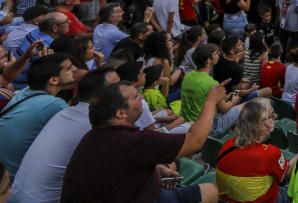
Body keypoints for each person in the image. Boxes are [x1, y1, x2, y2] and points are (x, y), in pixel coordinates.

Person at [61, 80, 226, 203]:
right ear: (120, 113)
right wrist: (211, 103)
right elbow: (195, 141)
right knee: (210, 191)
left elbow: (119, 169)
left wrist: (156, 169)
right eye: (135, 97)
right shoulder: (131, 140)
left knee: (169, 165)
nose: (141, 97)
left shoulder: (93, 137)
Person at [9, 66, 118, 203]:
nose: (124, 89)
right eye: (117, 87)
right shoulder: (94, 125)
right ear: (97, 97)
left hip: (17, 195)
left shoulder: (67, 113)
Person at [216, 97, 298, 203]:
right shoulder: (270, 153)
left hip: (228, 200)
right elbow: (288, 173)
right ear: (261, 125)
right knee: (297, 187)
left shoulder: (228, 143)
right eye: (271, 115)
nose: (276, 117)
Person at [0, 53, 76, 177]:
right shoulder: (55, 105)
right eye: (68, 68)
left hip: (4, 170)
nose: (74, 70)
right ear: (54, 80)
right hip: (14, 178)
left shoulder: (26, 91)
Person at [180, 44, 242, 137]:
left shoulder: (187, 76)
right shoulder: (212, 83)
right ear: (208, 61)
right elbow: (223, 108)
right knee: (244, 107)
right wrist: (234, 101)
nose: (219, 55)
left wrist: (225, 96)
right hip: (208, 127)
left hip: (189, 123)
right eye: (216, 54)